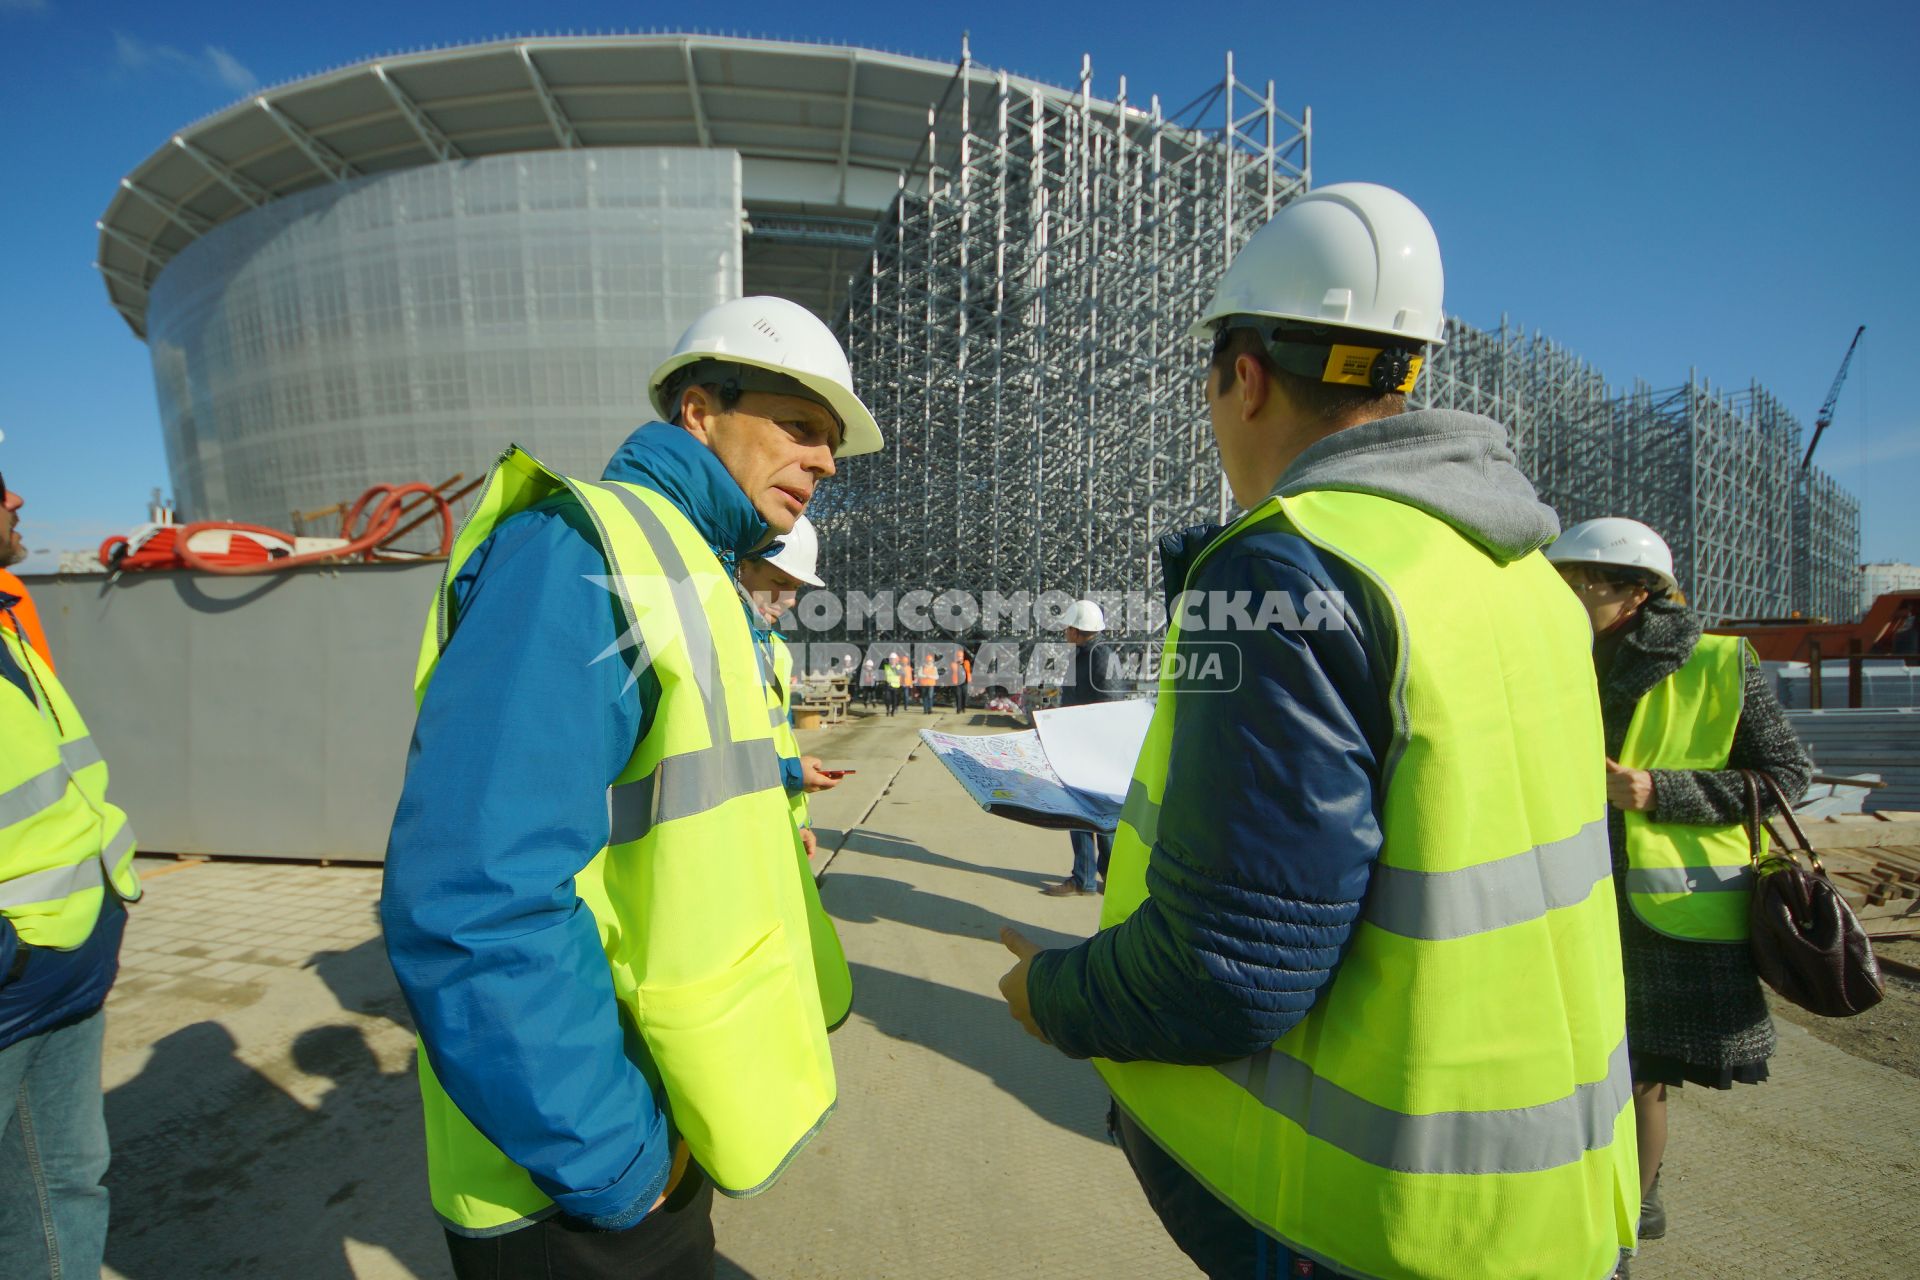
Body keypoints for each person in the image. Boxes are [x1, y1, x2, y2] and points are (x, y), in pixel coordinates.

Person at [996, 183, 1637, 1280]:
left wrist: (1053, 998)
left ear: (1243, 376)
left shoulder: (1286, 568)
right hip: (1558, 1202)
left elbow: (1230, 969)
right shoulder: (1529, 579)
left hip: (1364, 1222)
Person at [381, 296, 876, 1279]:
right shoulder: (583, 554)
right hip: (571, 1173)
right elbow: (472, 894)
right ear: (700, 410)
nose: (824, 460)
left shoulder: (694, 571)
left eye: (831, 441)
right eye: (800, 425)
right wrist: (614, 1159)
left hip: (647, 1103)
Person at [1546, 517, 1808, 1257]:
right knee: (1573, 1066)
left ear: (1636, 594)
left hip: (1664, 908)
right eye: (1558, 582)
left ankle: (1629, 1215)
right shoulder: (1551, 657)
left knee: (1640, 1071)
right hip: (1563, 890)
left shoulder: (1716, 663)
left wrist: (1660, 790)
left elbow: (1786, 779)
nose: (1567, 597)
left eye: (1583, 584)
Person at [1, 461, 143, 1279]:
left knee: (62, 1193)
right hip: (18, 976)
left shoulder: (8, 622)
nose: (16, 498)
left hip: (62, 976)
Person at [737, 514, 845, 862]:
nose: (788, 600)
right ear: (739, 566)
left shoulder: (776, 650)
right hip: (743, 832)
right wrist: (792, 772)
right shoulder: (719, 644)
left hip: (776, 819)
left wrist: (797, 821)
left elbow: (778, 737)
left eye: (795, 588)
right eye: (779, 580)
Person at [1041, 600, 1122, 897]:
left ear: (1077, 629)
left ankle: (1088, 878)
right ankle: (1101, 876)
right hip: (1081, 742)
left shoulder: (1100, 656)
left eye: (1067, 626)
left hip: (1093, 748)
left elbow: (1111, 704)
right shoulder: (1085, 654)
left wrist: (1096, 745)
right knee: (1092, 814)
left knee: (1086, 813)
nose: (1064, 631)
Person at [948, 645, 972, 714]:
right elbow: (950, 673)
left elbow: (969, 671)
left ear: (963, 657)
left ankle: (963, 707)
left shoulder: (966, 663)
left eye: (961, 657)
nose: (959, 658)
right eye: (958, 657)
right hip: (957, 683)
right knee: (958, 695)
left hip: (965, 682)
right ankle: (958, 709)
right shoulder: (953, 664)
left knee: (964, 695)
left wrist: (970, 679)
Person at [882, 651, 904, 716]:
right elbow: (881, 664)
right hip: (888, 685)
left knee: (894, 700)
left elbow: (902, 673)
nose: (892, 660)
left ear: (896, 660)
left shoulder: (898, 667)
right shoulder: (886, 666)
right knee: (887, 698)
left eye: (893, 659)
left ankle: (893, 710)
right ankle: (888, 709)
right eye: (891, 659)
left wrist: (895, 668)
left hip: (896, 686)